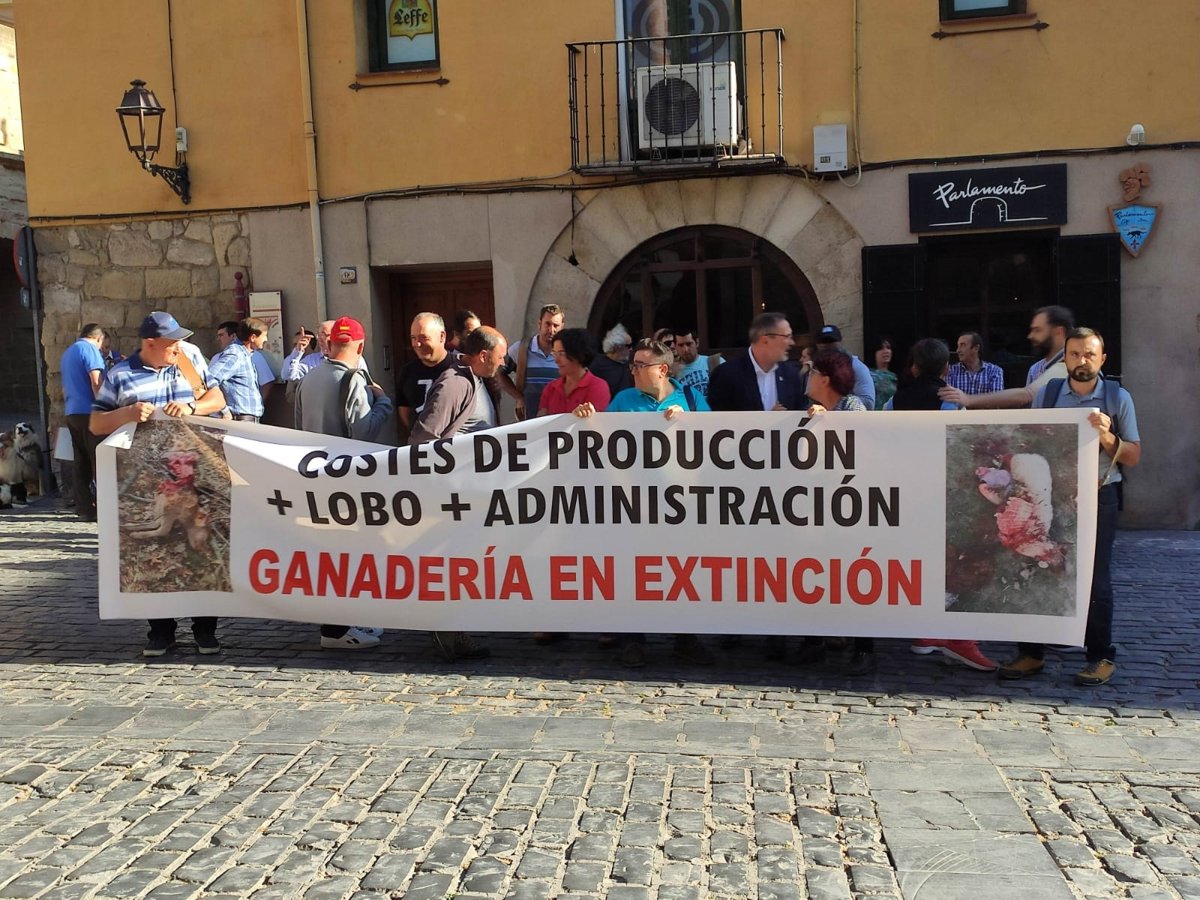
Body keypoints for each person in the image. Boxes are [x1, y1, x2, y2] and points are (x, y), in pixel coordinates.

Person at [1000, 327, 1140, 686]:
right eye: (1075, 354)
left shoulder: (1117, 397)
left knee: (1095, 578)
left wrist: (1107, 436)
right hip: (1053, 496)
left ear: (1102, 359)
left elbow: (1134, 455)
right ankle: (1031, 653)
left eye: (1089, 354)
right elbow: (1030, 440)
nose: (1082, 361)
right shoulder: (1048, 395)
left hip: (1099, 495)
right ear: (1065, 358)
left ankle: (1100, 656)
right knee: (1037, 568)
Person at [90, 312, 227, 657]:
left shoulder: (188, 363)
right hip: (148, 479)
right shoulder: (120, 375)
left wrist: (192, 405)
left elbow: (218, 400)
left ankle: (205, 630)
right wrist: (126, 414)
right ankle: (161, 631)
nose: (178, 348)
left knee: (199, 547)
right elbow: (95, 423)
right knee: (153, 549)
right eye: (172, 343)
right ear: (151, 343)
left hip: (194, 476)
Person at [577, 338, 714, 668]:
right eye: (633, 365)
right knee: (634, 571)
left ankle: (685, 639)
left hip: (682, 506)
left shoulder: (692, 399)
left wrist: (689, 422)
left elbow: (715, 440)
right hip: (634, 504)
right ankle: (633, 640)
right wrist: (585, 418)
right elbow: (602, 440)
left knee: (682, 573)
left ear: (662, 369)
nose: (633, 371)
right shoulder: (624, 400)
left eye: (640, 366)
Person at [884, 338, 997, 672]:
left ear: (914, 367)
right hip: (943, 493)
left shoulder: (893, 402)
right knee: (954, 564)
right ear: (947, 368)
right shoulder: (950, 404)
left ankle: (925, 632)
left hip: (905, 493)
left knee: (920, 562)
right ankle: (958, 638)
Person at [409, 327, 509, 662]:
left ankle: (454, 630)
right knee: (453, 562)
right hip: (453, 494)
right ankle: (448, 632)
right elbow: (423, 438)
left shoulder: (474, 379)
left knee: (463, 563)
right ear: (483, 355)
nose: (503, 362)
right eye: (500, 356)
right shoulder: (455, 383)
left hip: (468, 492)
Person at [295, 316, 394, 651]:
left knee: (328, 554)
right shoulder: (354, 379)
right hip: (346, 482)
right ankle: (338, 629)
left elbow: (298, 428)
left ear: (331, 343)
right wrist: (383, 402)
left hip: (315, 479)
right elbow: (363, 431)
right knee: (349, 554)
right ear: (360, 347)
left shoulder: (309, 378)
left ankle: (339, 622)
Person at [803, 348, 874, 674]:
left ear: (825, 379)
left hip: (852, 511)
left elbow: (858, 447)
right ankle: (816, 640)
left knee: (855, 578)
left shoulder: (852, 406)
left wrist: (827, 422)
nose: (807, 377)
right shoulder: (811, 409)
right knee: (817, 574)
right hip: (820, 509)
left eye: (812, 372)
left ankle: (864, 649)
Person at [940, 306, 1073, 410]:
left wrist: (968, 399)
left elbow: (1027, 395)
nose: (1030, 336)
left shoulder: (1069, 365)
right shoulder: (1036, 368)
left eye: (1038, 330)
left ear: (1058, 332)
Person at [707, 313, 805, 413]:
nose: (792, 342)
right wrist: (767, 419)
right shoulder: (726, 374)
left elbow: (798, 415)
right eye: (787, 336)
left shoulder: (791, 374)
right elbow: (718, 419)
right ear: (765, 340)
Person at [60, 323, 106, 521]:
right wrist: (105, 408)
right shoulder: (90, 350)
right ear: (99, 338)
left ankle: (84, 508)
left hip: (72, 412)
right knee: (99, 460)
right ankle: (105, 508)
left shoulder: (68, 353)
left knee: (80, 462)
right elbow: (96, 381)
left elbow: (64, 388)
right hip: (90, 412)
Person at [501, 303, 565, 420]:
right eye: (547, 324)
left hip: (558, 419)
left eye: (556, 325)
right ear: (539, 324)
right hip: (530, 420)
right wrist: (518, 397)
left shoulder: (567, 353)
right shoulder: (521, 349)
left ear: (562, 327)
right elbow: (499, 373)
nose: (551, 330)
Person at [398, 313, 456, 431]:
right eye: (413, 338)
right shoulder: (407, 372)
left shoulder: (460, 369)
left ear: (442, 336)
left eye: (424, 338)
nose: (417, 344)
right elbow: (404, 410)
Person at [537, 328, 610, 417]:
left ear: (579, 354)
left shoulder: (598, 386)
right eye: (554, 353)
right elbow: (542, 419)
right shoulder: (551, 388)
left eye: (562, 354)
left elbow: (595, 421)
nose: (556, 360)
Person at [208, 319, 264, 422]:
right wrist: (224, 409)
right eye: (264, 336)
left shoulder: (244, 354)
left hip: (246, 419)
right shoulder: (236, 355)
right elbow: (209, 379)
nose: (266, 339)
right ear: (253, 337)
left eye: (221, 335)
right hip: (239, 419)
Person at [813, 324, 875, 410]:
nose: (829, 347)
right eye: (824, 344)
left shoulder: (855, 366)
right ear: (817, 346)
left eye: (832, 343)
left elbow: (868, 402)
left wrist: (837, 404)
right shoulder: (815, 369)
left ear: (841, 343)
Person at [946, 331, 1005, 396]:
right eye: (958, 346)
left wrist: (967, 400)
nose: (958, 350)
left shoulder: (994, 371)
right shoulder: (951, 371)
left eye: (963, 345)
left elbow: (996, 399)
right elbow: (949, 399)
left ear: (976, 348)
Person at [673, 329, 723, 397]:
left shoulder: (716, 362)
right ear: (675, 346)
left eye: (689, 344)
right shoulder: (672, 372)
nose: (685, 349)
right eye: (681, 345)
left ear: (697, 342)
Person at [589, 323, 634, 398]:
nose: (631, 349)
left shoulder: (627, 364)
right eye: (628, 346)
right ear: (617, 347)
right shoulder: (597, 365)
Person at [868, 337, 898, 411]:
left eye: (888, 348)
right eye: (881, 348)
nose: (886, 351)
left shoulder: (895, 377)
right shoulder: (867, 374)